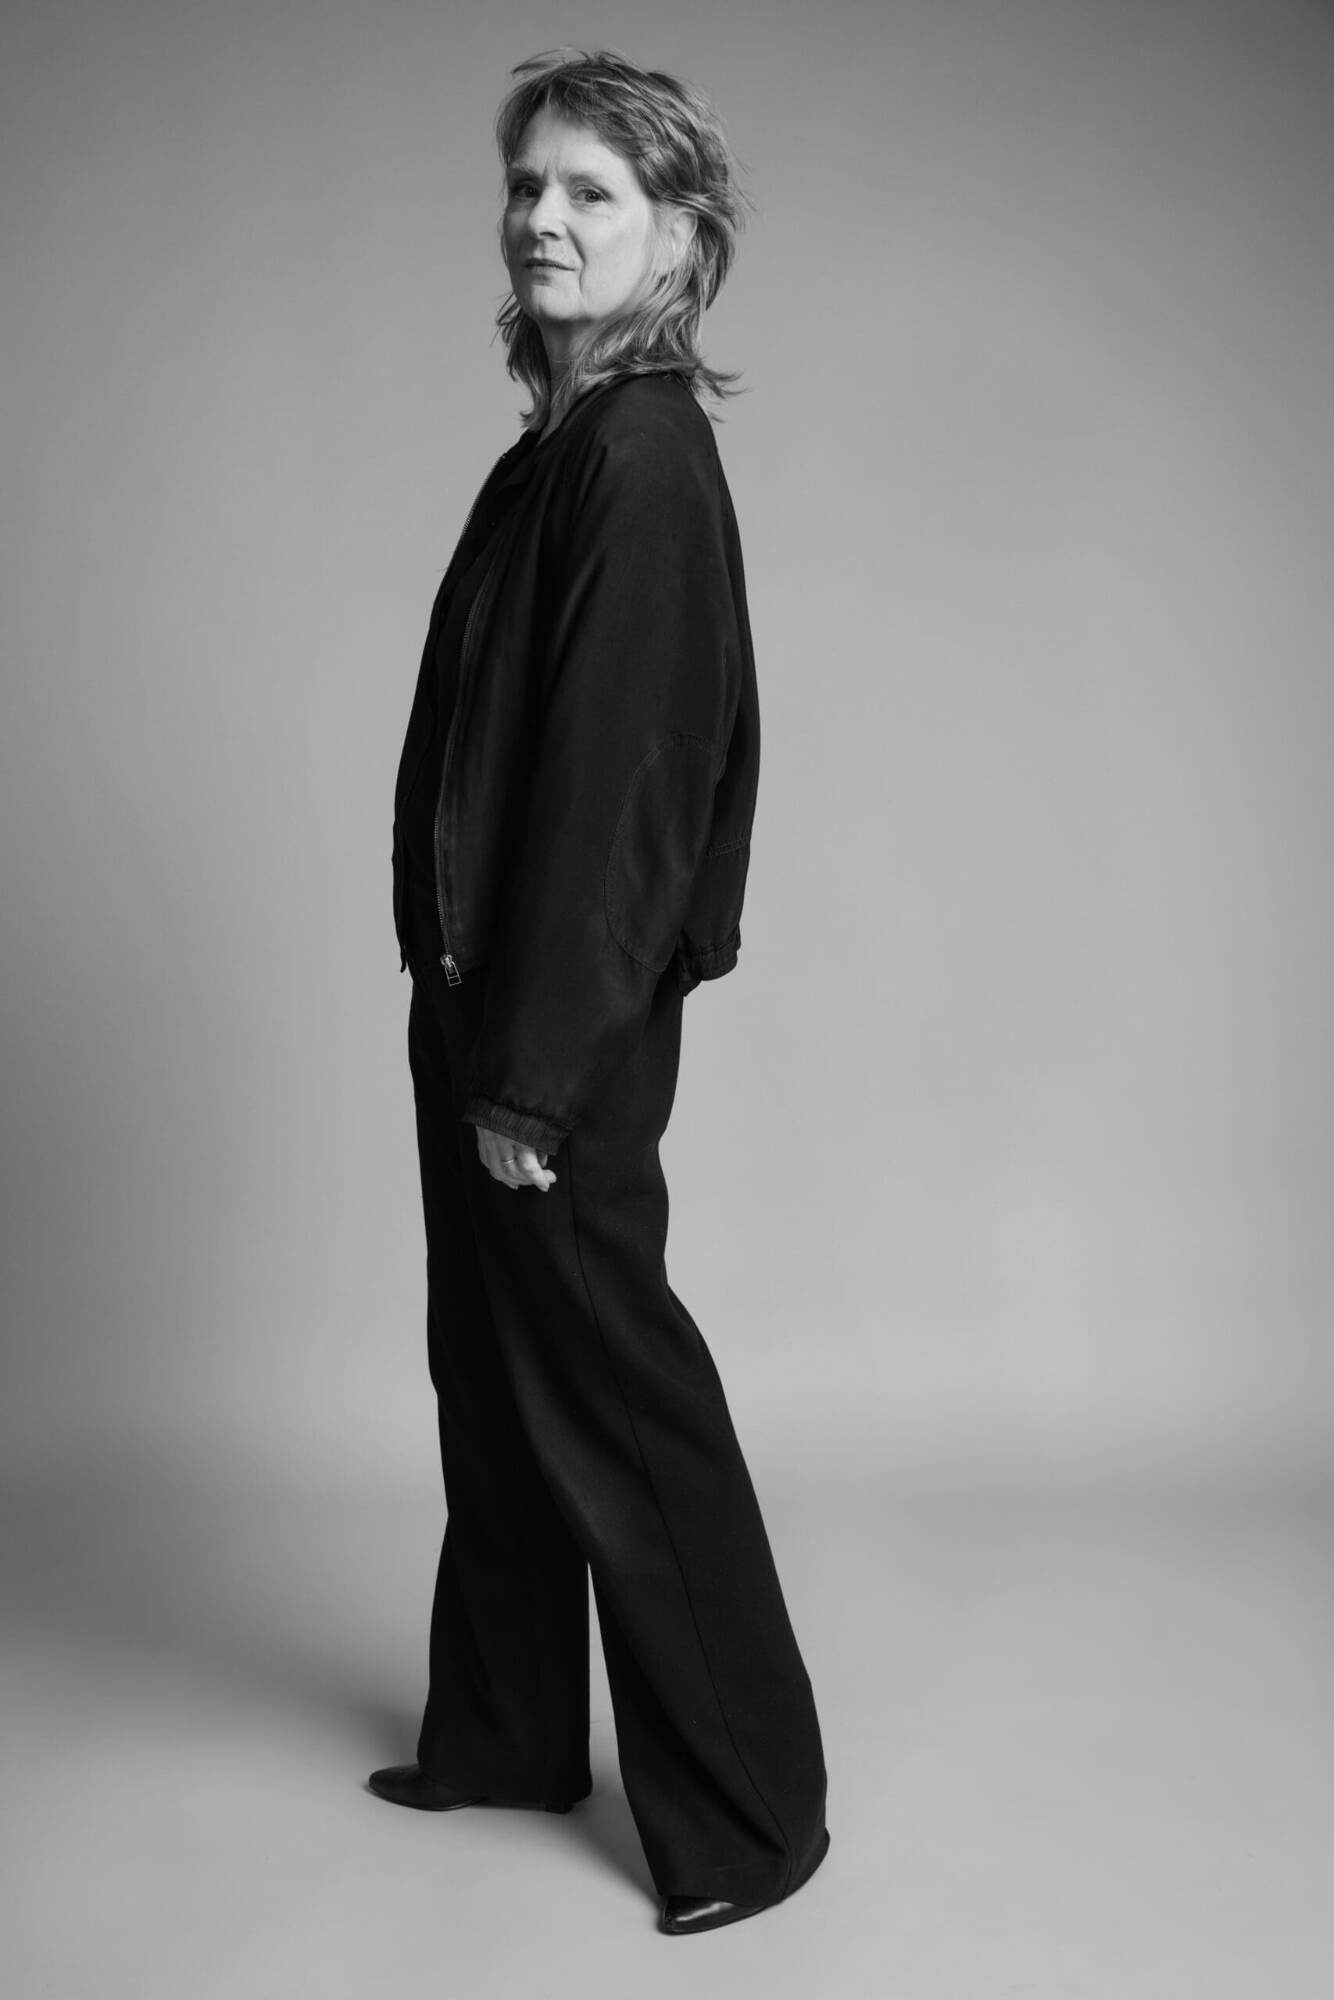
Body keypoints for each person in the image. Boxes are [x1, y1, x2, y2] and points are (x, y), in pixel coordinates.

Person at [374, 48, 830, 1937]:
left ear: (679, 239)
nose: (543, 219)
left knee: (610, 1399)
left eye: (592, 193)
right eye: (526, 186)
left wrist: (533, 1080)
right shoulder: (555, 452)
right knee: (493, 1383)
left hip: (548, 1027)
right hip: (480, 995)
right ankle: (502, 1733)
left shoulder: (640, 461)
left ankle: (751, 1814)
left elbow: (623, 797)